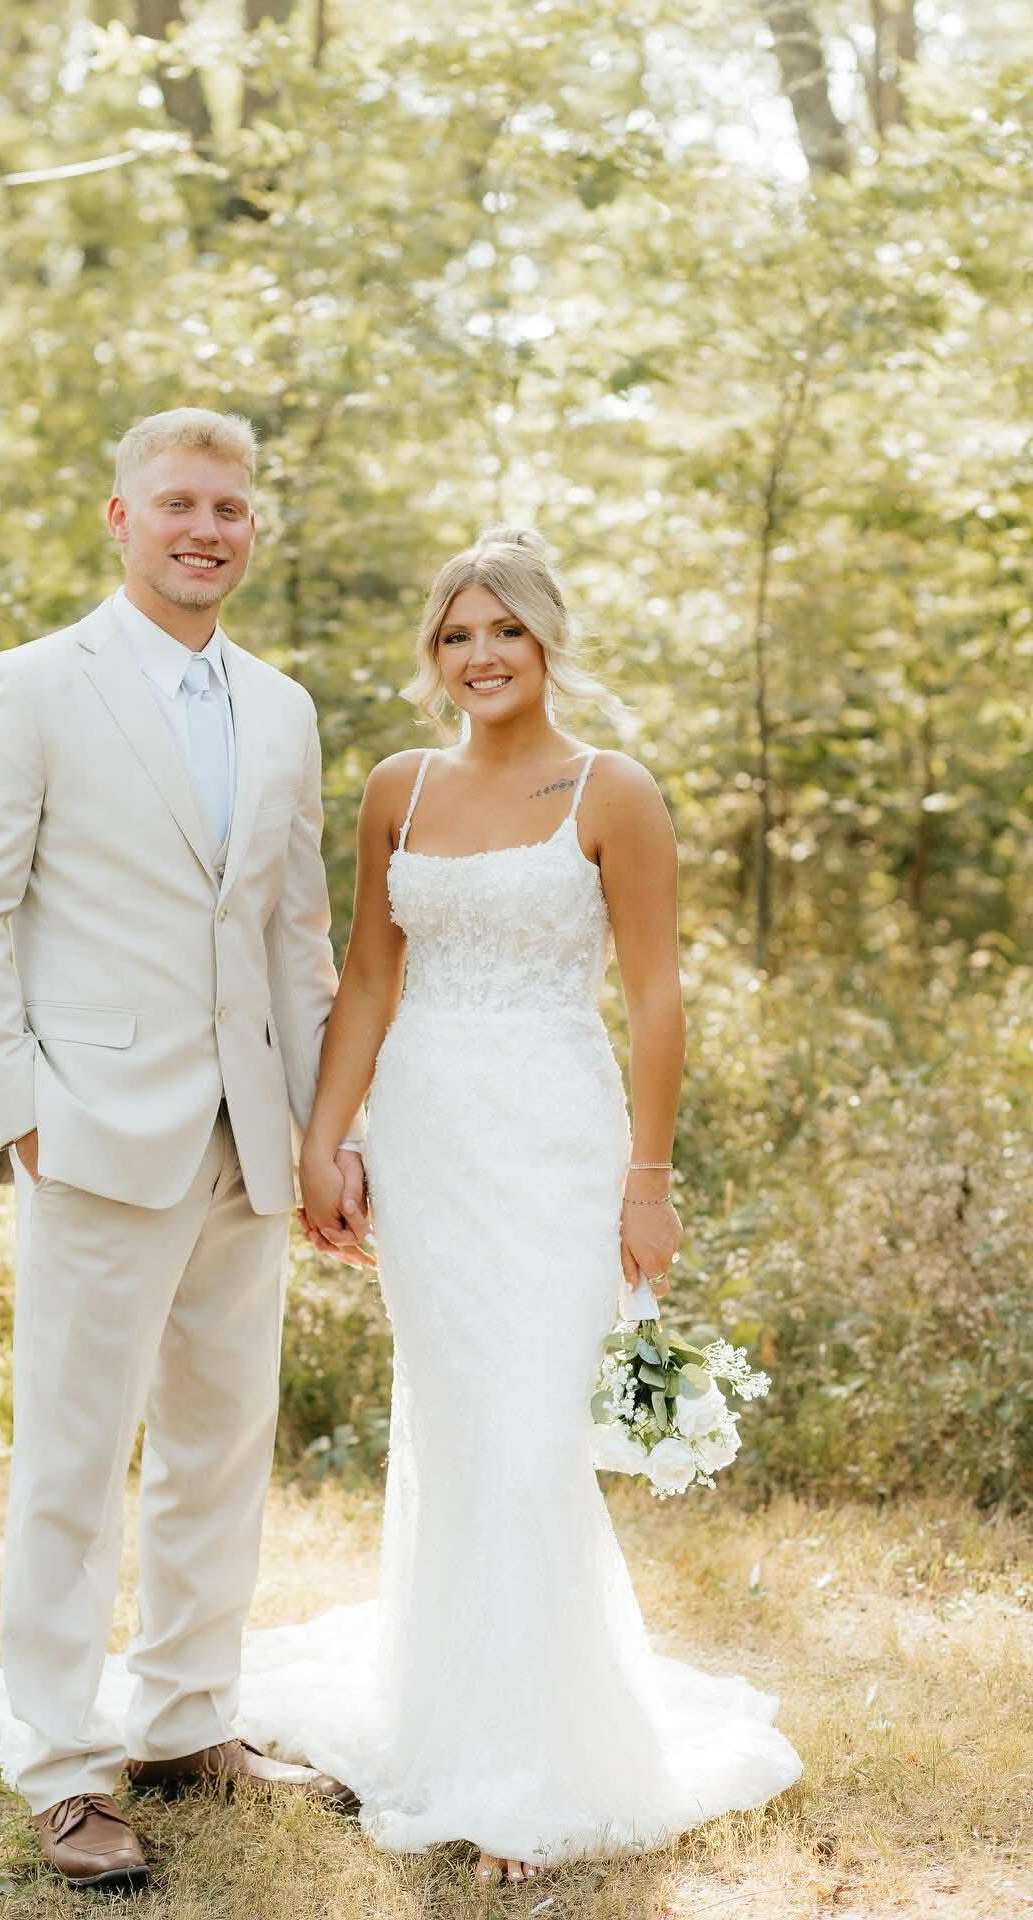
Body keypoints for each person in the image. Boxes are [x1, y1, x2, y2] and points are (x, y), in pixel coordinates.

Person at [272, 525, 803, 1883]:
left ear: (548, 641)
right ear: (433, 658)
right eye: (457, 634)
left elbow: (657, 996)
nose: (482, 655)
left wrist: (650, 1177)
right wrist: (324, 1141)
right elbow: (370, 983)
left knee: (528, 1440)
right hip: (433, 1143)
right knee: (457, 1432)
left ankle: (530, 1775)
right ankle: (456, 1725)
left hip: (561, 1145)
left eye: (504, 630)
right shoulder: (397, 787)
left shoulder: (609, 790)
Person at [0, 408, 371, 1892]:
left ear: (253, 529)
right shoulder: (33, 686)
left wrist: (323, 1133)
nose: (206, 528)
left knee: (220, 1446)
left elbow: (300, 937)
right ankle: (60, 1759)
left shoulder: (286, 707)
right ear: (120, 518)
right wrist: (21, 1110)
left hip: (248, 1133)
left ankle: (185, 1718)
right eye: (178, 502)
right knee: (70, 1457)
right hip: (94, 1134)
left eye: (230, 508)